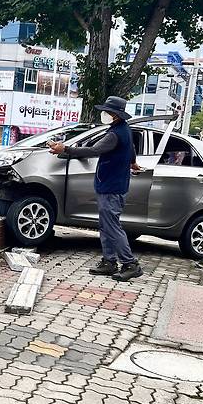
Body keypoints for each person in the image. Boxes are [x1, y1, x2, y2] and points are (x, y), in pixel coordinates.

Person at [48, 95, 143, 282]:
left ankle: (130, 264)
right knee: (106, 225)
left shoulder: (115, 134)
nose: (104, 114)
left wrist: (65, 149)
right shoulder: (123, 129)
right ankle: (109, 261)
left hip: (111, 187)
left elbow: (93, 151)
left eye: (106, 112)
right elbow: (130, 147)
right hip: (112, 185)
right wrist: (132, 162)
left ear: (115, 115)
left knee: (112, 226)